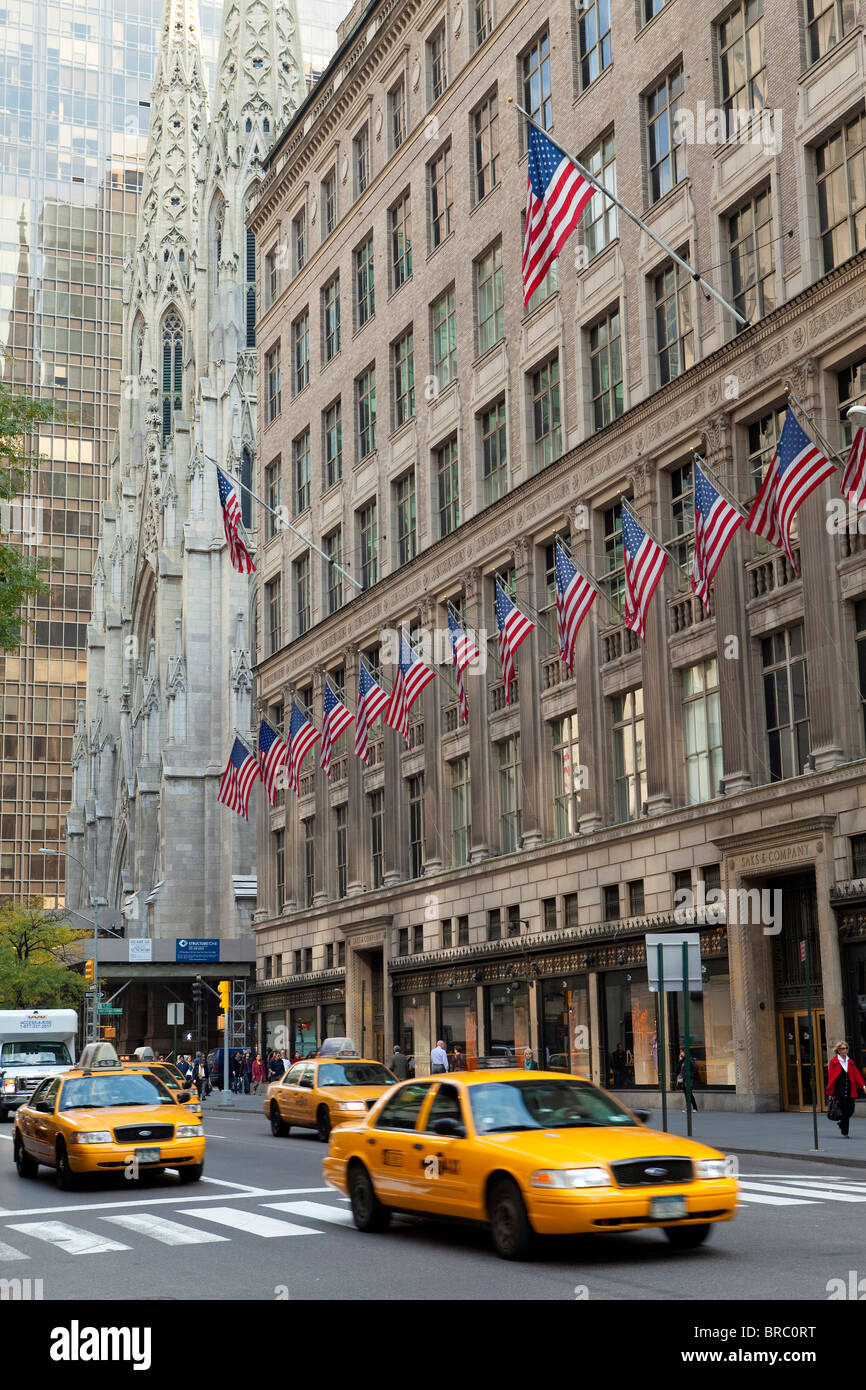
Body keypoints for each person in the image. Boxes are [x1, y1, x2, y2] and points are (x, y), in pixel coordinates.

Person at [827, 1041, 865, 1138]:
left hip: (850, 1089)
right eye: (843, 1048)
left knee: (850, 1110)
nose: (845, 1050)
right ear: (838, 1050)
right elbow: (831, 1077)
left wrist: (863, 1086)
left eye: (846, 1048)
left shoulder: (850, 1062)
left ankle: (841, 1124)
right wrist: (832, 1091)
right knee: (843, 1110)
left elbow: (857, 1075)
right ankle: (845, 1132)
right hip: (839, 1090)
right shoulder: (833, 1062)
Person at [676, 1047, 698, 1111]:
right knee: (687, 1094)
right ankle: (692, 1108)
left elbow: (696, 1067)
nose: (681, 1053)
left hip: (689, 1079)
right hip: (684, 1079)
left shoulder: (689, 1059)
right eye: (680, 1052)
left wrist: (690, 1075)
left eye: (681, 1052)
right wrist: (680, 1061)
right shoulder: (683, 1060)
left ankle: (694, 1108)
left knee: (689, 1093)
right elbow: (677, 1069)